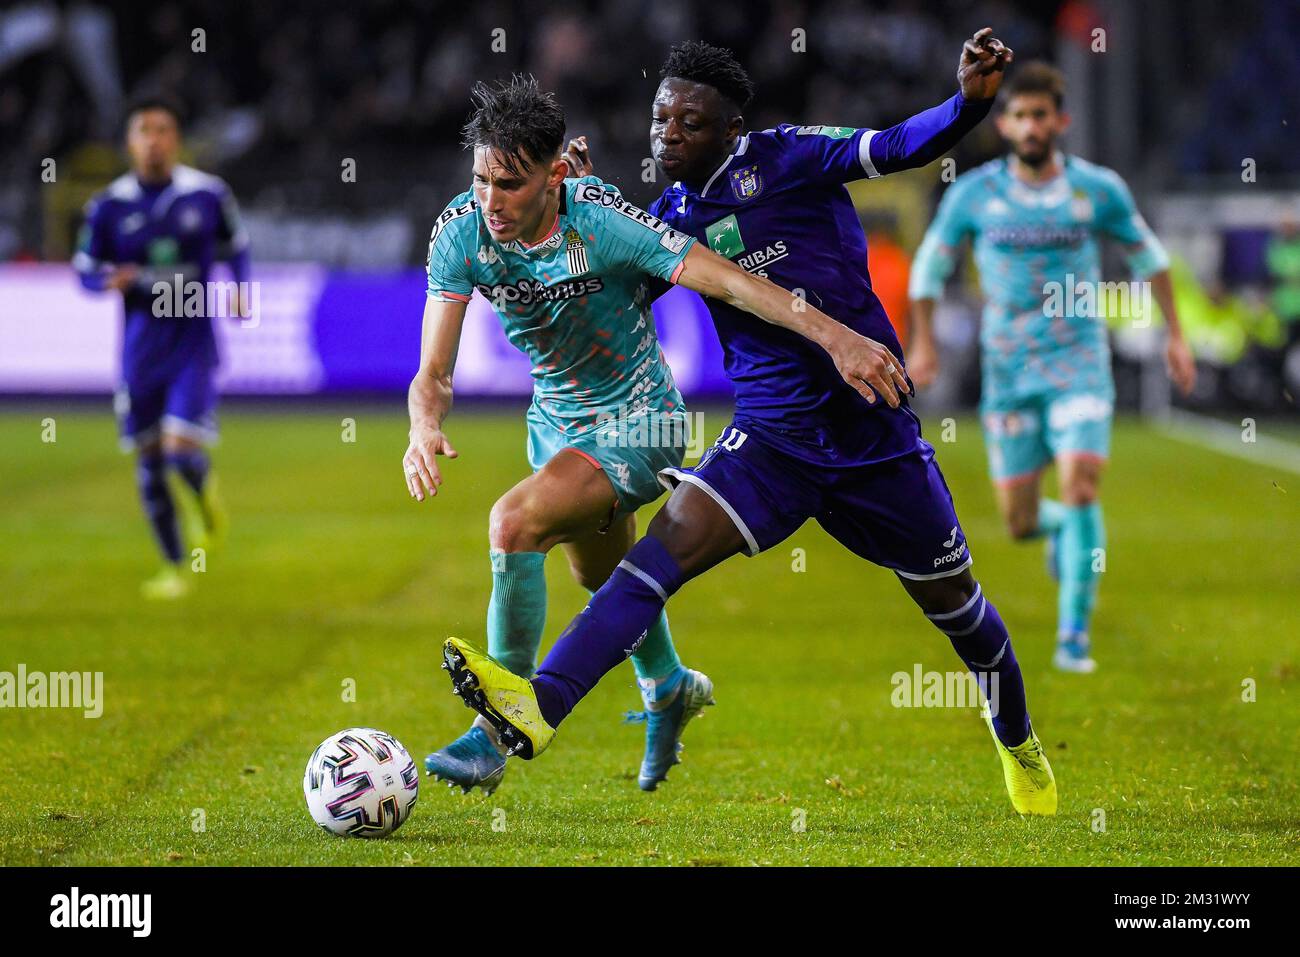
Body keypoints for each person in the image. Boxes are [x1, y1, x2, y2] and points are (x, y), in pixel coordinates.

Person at [442, 32, 1060, 815]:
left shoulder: (792, 156)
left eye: (689, 123)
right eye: (661, 118)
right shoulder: (668, 215)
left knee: (960, 611)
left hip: (873, 440)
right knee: (649, 565)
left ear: (731, 129)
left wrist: (969, 102)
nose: (668, 134)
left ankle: (1019, 741)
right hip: (768, 442)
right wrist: (582, 225)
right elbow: (623, 298)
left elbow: (901, 143)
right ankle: (538, 704)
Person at [410, 75, 902, 793]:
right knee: (604, 579)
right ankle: (670, 687)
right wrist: (423, 426)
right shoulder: (461, 232)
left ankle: (498, 725)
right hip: (559, 425)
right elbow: (435, 371)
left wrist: (837, 337)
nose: (491, 202)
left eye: (510, 184)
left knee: (513, 523)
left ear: (555, 175)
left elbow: (731, 282)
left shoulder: (604, 220)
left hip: (644, 418)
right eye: (481, 180)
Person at [908, 61, 1197, 673]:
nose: (1031, 125)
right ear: (1005, 126)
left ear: (1060, 121)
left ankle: (1074, 637)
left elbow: (1152, 257)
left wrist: (1177, 336)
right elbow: (929, 268)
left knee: (1082, 484)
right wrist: (924, 342)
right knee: (1019, 522)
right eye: (1019, 115)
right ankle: (1065, 533)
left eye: (1041, 115)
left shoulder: (1098, 190)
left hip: (1080, 362)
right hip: (1009, 370)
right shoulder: (975, 194)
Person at [74, 95, 245, 600]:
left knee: (179, 453)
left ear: (176, 139)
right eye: (144, 130)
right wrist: (108, 278)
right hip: (139, 351)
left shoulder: (207, 195)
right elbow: (84, 268)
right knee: (148, 466)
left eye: (163, 129)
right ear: (130, 142)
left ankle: (205, 502)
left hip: (191, 343)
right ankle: (174, 567)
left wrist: (237, 285)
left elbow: (236, 246)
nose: (154, 139)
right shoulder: (109, 205)